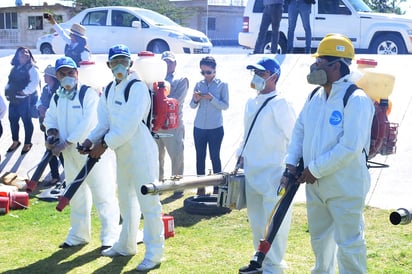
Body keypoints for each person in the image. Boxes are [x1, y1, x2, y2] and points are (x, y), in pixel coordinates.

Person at [283, 33, 374, 273]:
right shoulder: (314, 96)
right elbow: (299, 130)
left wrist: (315, 169)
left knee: (349, 243)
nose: (315, 67)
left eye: (320, 63)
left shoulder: (356, 99)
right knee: (320, 240)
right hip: (316, 186)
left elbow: (350, 147)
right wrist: (291, 163)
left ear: (337, 65)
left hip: (346, 186)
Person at [79, 44, 164, 272]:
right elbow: (104, 123)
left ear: (130, 64)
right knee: (126, 202)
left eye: (123, 61)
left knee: (149, 204)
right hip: (122, 152)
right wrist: (90, 140)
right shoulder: (108, 89)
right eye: (115, 61)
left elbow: (127, 124)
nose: (120, 65)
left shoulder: (136, 88)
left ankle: (154, 253)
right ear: (108, 65)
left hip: (141, 152)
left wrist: (104, 144)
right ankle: (126, 245)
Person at [43, 56, 120, 252]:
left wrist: (68, 141)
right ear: (57, 76)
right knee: (76, 195)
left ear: (77, 73)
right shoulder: (57, 96)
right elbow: (51, 118)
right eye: (63, 73)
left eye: (71, 72)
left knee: (104, 194)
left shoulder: (87, 93)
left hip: (91, 152)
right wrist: (51, 133)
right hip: (68, 154)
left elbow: (89, 121)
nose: (67, 76)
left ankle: (110, 236)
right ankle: (78, 235)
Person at [238, 57, 296, 273]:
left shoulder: (281, 103)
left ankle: (275, 265)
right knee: (256, 220)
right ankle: (259, 260)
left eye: (261, 74)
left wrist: (290, 169)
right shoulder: (251, 102)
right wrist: (241, 155)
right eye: (255, 73)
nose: (256, 77)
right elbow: (246, 135)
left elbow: (294, 138)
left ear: (274, 77)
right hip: (253, 171)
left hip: (274, 172)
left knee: (274, 224)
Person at [189, 56, 229, 195]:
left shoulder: (222, 85)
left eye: (208, 72)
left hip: (215, 128)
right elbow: (192, 106)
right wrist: (195, 99)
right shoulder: (198, 84)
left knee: (215, 157)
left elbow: (225, 105)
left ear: (214, 70)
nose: (205, 75)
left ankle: (217, 187)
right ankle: (201, 187)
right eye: (203, 72)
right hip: (199, 127)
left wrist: (212, 99)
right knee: (200, 157)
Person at [155, 51, 189, 197]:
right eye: (165, 62)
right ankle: (159, 185)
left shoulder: (181, 80)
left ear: (175, 64)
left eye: (170, 62)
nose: (168, 64)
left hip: (172, 125)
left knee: (176, 155)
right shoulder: (154, 79)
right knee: (157, 157)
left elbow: (176, 101)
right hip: (156, 125)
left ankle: (177, 186)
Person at [4, 47, 40, 154]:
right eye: (22, 53)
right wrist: (7, 91)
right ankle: (15, 141)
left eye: (27, 52)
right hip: (14, 99)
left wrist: (24, 92)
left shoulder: (32, 69)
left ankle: (27, 143)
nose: (25, 54)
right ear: (17, 56)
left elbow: (34, 84)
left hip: (26, 100)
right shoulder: (14, 68)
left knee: (26, 121)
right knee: (13, 120)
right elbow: (9, 82)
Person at [38, 65, 64, 186]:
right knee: (49, 150)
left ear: (52, 77)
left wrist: (47, 110)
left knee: (62, 152)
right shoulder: (45, 88)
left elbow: (58, 109)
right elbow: (40, 100)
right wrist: (39, 107)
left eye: (46, 75)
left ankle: (69, 176)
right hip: (46, 126)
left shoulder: (59, 91)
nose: (44, 76)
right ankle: (55, 176)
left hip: (57, 126)